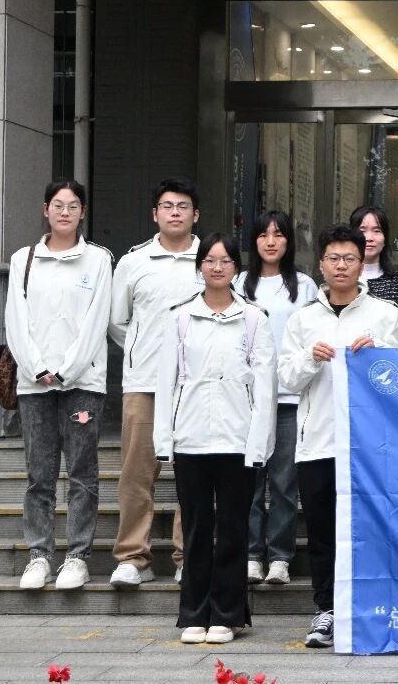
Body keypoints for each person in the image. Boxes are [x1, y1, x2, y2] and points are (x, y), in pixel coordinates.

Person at [279, 224, 398, 648]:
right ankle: (326, 610)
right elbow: (286, 377)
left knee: (371, 529)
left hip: (369, 446)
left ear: (361, 264)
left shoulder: (385, 314)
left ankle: (371, 608)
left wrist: (379, 354)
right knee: (321, 532)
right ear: (321, 264)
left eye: (349, 258)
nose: (341, 266)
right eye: (333, 258)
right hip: (317, 442)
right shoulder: (303, 319)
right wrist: (310, 359)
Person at [154, 234, 277, 645]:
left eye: (225, 261)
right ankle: (193, 612)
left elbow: (265, 387)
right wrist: (164, 440)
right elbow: (166, 381)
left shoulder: (254, 319)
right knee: (195, 528)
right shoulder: (180, 318)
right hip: (191, 438)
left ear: (236, 268)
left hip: (237, 440)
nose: (217, 267)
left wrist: (259, 444)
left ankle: (227, 613)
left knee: (232, 529)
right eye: (209, 260)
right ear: (200, 266)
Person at [7, 179, 113, 591]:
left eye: (72, 205)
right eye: (57, 204)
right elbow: (16, 319)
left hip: (83, 383)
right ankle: (39, 555)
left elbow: (96, 320)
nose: (64, 212)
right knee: (40, 474)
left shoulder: (98, 260)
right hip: (34, 385)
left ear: (83, 212)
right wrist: (37, 368)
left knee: (83, 471)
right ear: (45, 209)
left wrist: (67, 370)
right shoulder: (24, 259)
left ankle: (77, 556)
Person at [108, 177, 202, 587]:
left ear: (195, 215)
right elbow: (117, 321)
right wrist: (145, 350)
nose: (175, 212)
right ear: (155, 214)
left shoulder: (211, 260)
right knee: (136, 473)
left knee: (193, 474)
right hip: (143, 380)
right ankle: (133, 558)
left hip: (195, 384)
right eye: (167, 206)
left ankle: (188, 556)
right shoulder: (134, 262)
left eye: (183, 206)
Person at [240, 211, 318, 587]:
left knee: (285, 482)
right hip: (249, 398)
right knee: (251, 481)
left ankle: (281, 557)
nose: (271, 241)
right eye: (263, 234)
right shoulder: (239, 283)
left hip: (289, 396)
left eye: (279, 234)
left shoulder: (304, 286)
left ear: (289, 241)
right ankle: (252, 555)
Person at [349, 205, 398, 313]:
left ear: (385, 238)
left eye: (376, 231)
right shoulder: (341, 280)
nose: (369, 238)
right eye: (362, 231)